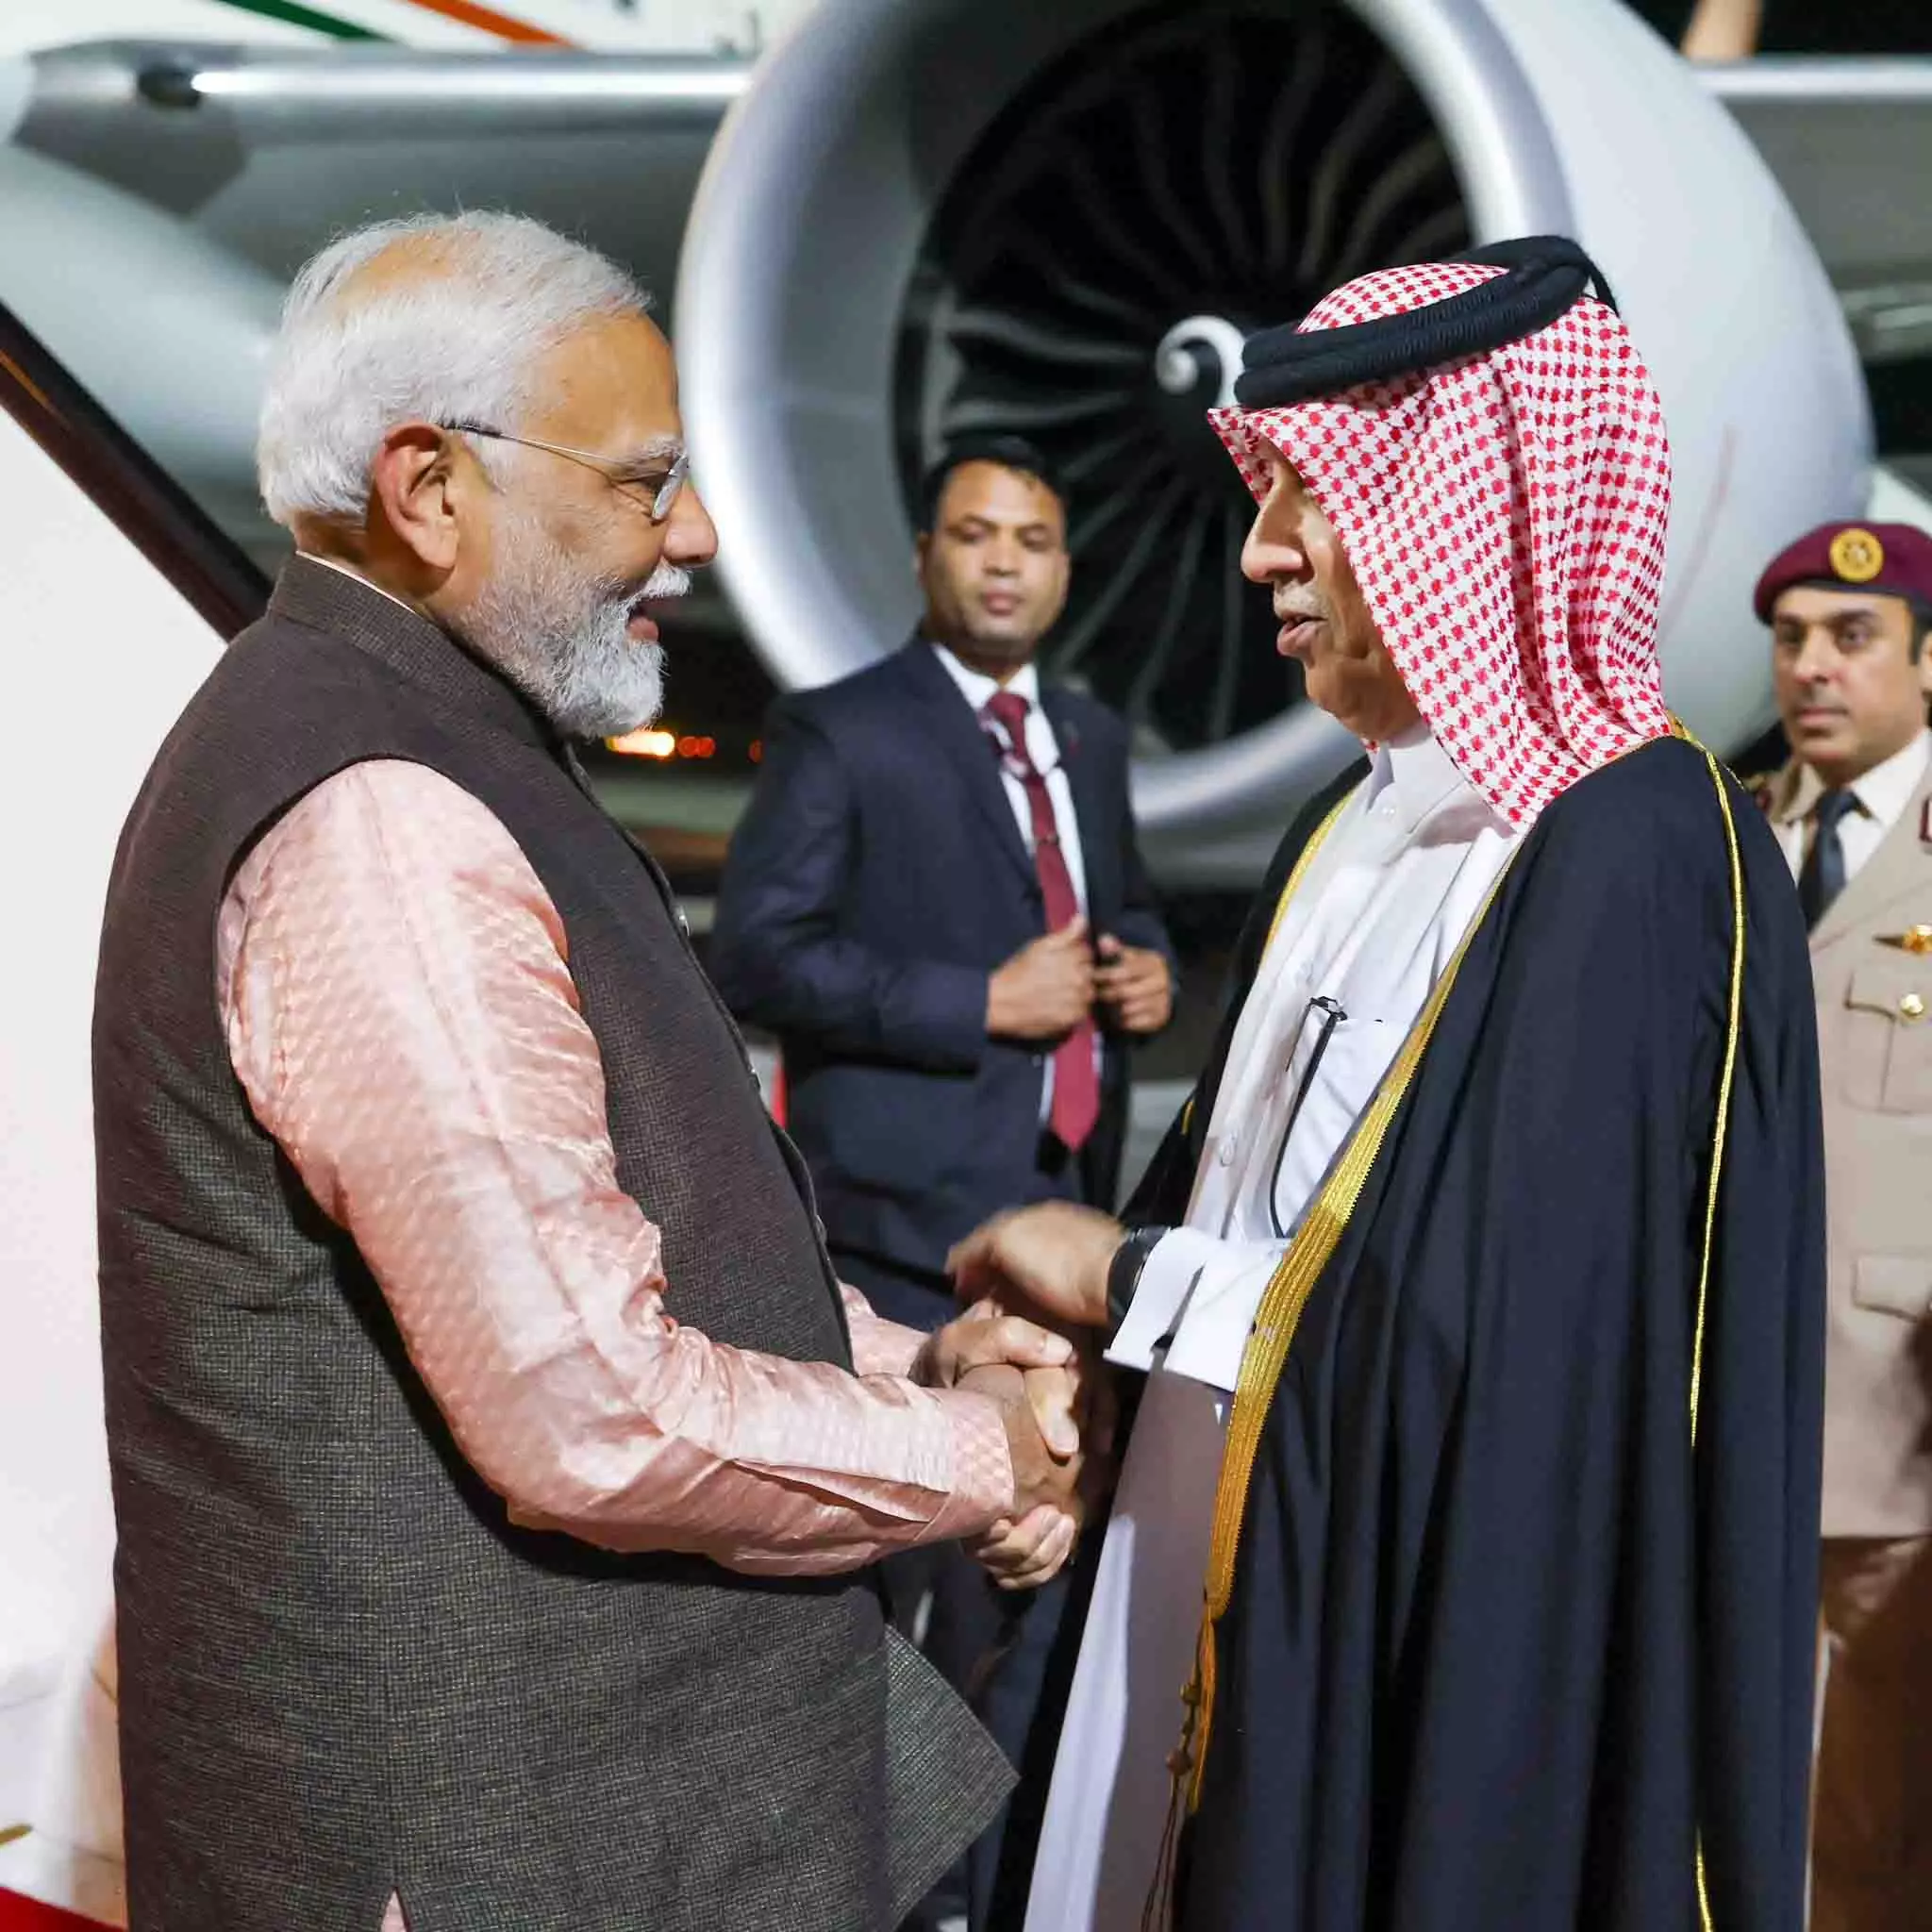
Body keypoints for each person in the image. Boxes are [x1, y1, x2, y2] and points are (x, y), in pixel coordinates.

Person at [91, 211, 1091, 1932]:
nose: (692, 534)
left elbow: (619, 1246)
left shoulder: (435, 733)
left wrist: (913, 1355)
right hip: (492, 1849)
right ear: (428, 489)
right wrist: (978, 1454)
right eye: (644, 482)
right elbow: (590, 1415)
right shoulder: (386, 818)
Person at [950, 240, 1827, 1931]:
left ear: (1474, 503)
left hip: (1404, 1685)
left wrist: (1122, 1276)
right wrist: (1066, 1361)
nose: (1260, 547)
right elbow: (1259, 1215)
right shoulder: (1345, 827)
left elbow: (1508, 1361)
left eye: (1315, 489)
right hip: (1184, 1618)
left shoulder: (1635, 847)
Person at [710, 434, 1175, 1926]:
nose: (1002, 563)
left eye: (1031, 540)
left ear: (1065, 569)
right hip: (896, 1256)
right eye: (975, 534)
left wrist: (1146, 969)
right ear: (925, 556)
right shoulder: (847, 729)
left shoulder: (1088, 737)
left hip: (1057, 1242)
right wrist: (975, 1002)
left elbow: (1118, 906)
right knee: (878, 1628)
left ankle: (978, 1900)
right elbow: (757, 952)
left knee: (1017, 1617)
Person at [1748, 519, 1932, 1932]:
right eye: (1792, 637)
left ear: (1927, 665)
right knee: (1738, 1812)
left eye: (1853, 637)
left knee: (1878, 1834)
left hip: (1899, 1433)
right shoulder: (1730, 838)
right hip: (1731, 1409)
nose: (1813, 666)